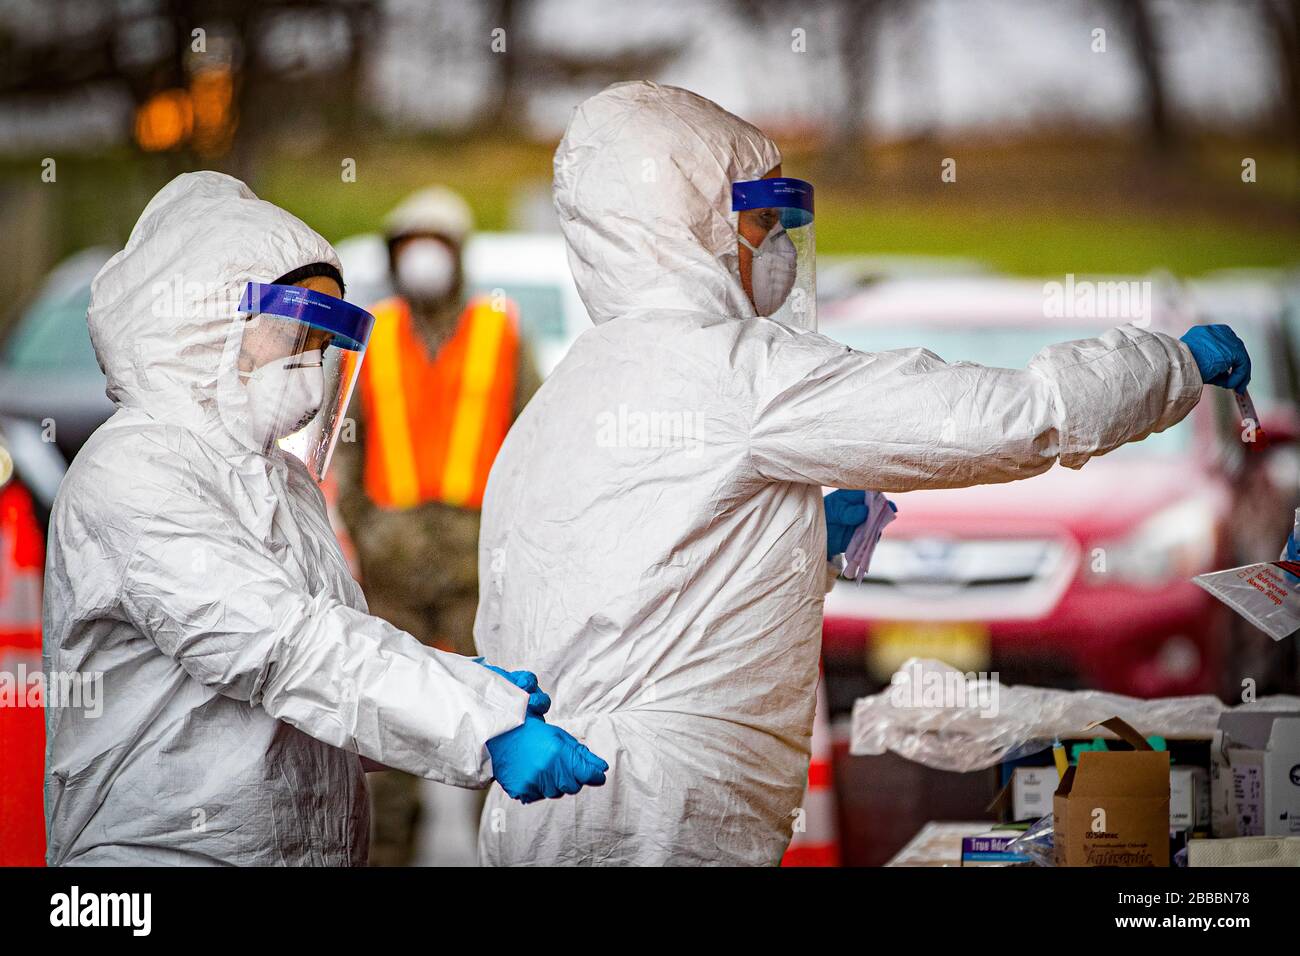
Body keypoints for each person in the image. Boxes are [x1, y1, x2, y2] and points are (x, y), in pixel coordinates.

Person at [473, 81, 1251, 866]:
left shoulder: (556, 404)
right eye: (759, 221)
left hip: (552, 810)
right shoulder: (737, 372)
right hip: (660, 814)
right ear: (687, 222)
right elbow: (1009, 416)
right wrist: (1172, 364)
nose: (775, 247)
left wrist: (804, 545)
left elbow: (638, 598)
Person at [42, 171, 606, 866]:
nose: (310, 364)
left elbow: (322, 692)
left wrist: (461, 688)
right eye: (293, 334)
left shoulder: (278, 480)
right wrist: (479, 719)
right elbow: (286, 649)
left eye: (320, 342)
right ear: (207, 323)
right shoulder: (135, 473)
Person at [332, 186, 543, 864]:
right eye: (409, 243)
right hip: (391, 570)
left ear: (457, 253)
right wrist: (368, 530)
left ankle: (502, 855)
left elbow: (531, 438)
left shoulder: (500, 330)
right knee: (389, 731)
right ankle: (390, 854)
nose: (422, 257)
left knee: (500, 716)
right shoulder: (374, 334)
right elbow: (348, 442)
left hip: (476, 567)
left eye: (436, 242)